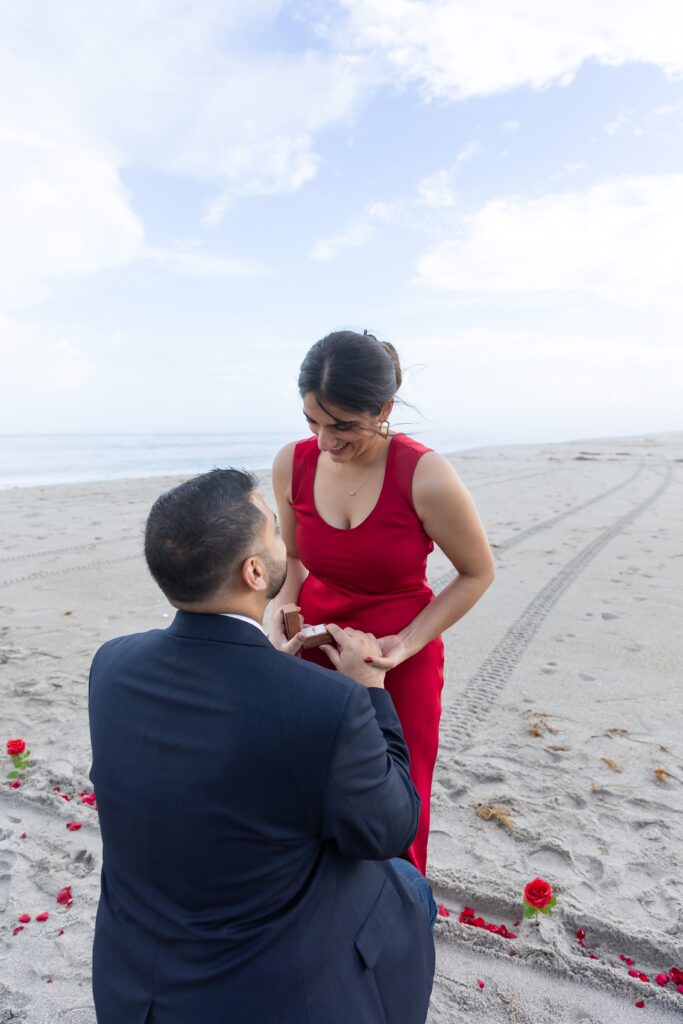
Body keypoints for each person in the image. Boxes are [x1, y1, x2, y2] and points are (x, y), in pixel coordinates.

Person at [88, 468, 436, 1024]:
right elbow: (390, 828)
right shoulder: (330, 706)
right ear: (255, 571)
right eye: (275, 532)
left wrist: (273, 670)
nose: (285, 542)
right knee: (410, 884)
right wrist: (371, 693)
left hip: (134, 985)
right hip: (264, 997)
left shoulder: (112, 664)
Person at [271, 330, 495, 874]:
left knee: (397, 795)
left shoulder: (426, 474)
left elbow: (477, 572)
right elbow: (293, 562)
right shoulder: (291, 463)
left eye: (343, 425)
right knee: (308, 788)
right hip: (315, 648)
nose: (325, 441)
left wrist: (406, 645)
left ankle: (401, 914)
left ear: (385, 408)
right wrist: (277, 616)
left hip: (398, 654)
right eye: (313, 422)